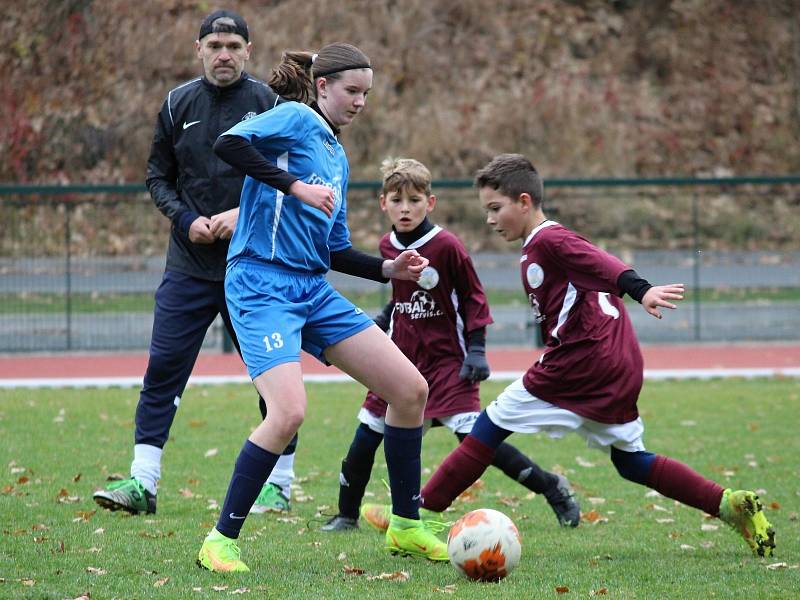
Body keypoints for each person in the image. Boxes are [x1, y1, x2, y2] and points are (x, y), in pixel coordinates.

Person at [364, 153, 777, 559]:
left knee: (487, 427)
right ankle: (727, 504)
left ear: (524, 202)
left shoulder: (550, 239)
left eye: (495, 208)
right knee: (631, 462)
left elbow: (602, 262)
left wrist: (641, 288)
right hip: (617, 361)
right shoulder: (540, 246)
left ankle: (413, 516)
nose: (489, 220)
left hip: (581, 362)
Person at [197, 42, 449, 573]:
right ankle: (220, 541)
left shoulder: (336, 155)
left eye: (366, 94)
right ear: (322, 87)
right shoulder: (292, 118)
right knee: (287, 412)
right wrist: (293, 187)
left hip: (310, 289)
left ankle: (405, 525)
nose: (359, 102)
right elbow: (228, 144)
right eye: (352, 91)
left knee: (410, 391)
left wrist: (389, 270)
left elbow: (333, 250)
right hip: (261, 285)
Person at [92, 9, 296, 517]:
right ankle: (143, 483)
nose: (223, 54)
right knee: (163, 368)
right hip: (188, 264)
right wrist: (186, 220)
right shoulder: (176, 103)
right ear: (198, 50)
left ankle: (281, 485)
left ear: (248, 51)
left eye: (232, 45)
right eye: (214, 46)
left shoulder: (268, 104)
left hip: (254, 266)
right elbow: (157, 177)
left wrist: (237, 213)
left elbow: (289, 179)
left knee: (273, 376)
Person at [319, 158, 580, 534]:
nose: (405, 208)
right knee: (365, 437)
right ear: (383, 204)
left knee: (477, 444)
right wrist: (384, 320)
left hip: (448, 364)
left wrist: (477, 349)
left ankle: (551, 487)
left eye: (413, 199)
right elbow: (402, 296)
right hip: (401, 360)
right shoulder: (386, 246)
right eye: (396, 200)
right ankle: (346, 515)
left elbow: (474, 298)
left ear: (431, 203)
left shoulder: (447, 246)